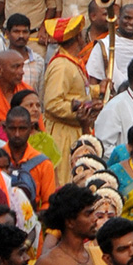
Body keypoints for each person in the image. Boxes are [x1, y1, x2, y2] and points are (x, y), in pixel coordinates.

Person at [44, 15, 103, 184]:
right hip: (62, 135)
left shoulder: (70, 62)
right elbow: (52, 103)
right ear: (78, 37)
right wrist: (84, 107)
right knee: (65, 180)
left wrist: (98, 90)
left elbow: (76, 90)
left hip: (74, 131)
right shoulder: (61, 66)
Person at [35, 183, 97, 265]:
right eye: (88, 214)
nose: (95, 218)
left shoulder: (98, 255)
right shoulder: (47, 263)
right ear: (70, 222)